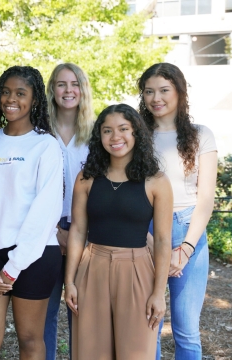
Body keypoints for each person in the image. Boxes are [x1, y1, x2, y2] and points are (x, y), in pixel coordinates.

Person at [0, 65, 64, 359]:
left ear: (34, 100)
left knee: (30, 340)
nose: (11, 99)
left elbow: (45, 212)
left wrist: (13, 267)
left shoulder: (45, 145)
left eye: (21, 93)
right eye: (6, 92)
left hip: (34, 255)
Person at [64, 104, 172, 360]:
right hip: (92, 268)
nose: (115, 137)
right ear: (98, 136)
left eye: (123, 129)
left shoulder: (156, 181)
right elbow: (78, 231)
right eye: (107, 131)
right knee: (90, 352)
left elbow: (163, 240)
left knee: (135, 353)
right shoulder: (86, 178)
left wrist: (159, 292)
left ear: (136, 133)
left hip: (138, 271)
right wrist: (69, 281)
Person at [138, 63, 218, 360]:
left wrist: (185, 248)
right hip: (145, 230)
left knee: (186, 330)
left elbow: (206, 199)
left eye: (164, 90)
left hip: (189, 229)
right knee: (149, 323)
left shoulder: (201, 135)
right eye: (149, 91)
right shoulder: (136, 135)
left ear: (179, 92)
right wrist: (150, 242)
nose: (156, 98)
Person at [43, 62, 94, 359]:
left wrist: (78, 234)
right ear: (52, 90)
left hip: (86, 232)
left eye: (74, 84)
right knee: (44, 313)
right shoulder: (38, 132)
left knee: (81, 312)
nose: (68, 90)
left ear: (83, 90)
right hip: (45, 234)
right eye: (61, 84)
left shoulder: (96, 133)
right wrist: (54, 232)